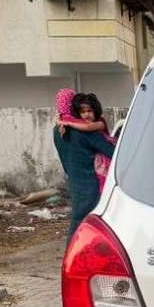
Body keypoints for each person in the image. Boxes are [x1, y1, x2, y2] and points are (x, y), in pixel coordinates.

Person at [52, 88, 116, 240]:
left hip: (74, 182)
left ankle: (74, 251)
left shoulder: (57, 129)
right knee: (89, 225)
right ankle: (75, 252)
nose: (86, 114)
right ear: (72, 106)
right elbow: (113, 153)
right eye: (82, 110)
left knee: (79, 221)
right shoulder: (85, 131)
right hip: (92, 185)